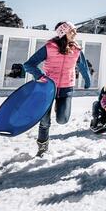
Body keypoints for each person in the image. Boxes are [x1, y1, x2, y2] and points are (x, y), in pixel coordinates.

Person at [24, 21, 91, 157]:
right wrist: (41, 77)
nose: (75, 33)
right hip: (47, 88)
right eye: (72, 30)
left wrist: (87, 81)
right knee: (44, 121)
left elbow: (84, 67)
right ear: (64, 33)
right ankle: (42, 147)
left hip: (66, 88)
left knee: (62, 120)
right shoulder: (49, 47)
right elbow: (28, 65)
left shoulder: (77, 50)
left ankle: (58, 106)